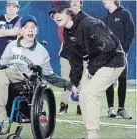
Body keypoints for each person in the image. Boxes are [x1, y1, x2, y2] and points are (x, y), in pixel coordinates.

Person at [0, 15, 79, 133]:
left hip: (24, 78)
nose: (30, 29)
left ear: (36, 31)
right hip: (6, 74)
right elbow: (2, 64)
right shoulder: (11, 45)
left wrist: (69, 85)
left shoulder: (41, 51)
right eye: (26, 27)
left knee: (0, 74)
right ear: (21, 30)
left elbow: (49, 76)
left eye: (33, 27)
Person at [49, 1, 126, 139]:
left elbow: (109, 47)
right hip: (97, 62)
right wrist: (73, 84)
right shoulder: (67, 33)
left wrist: (91, 69)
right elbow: (76, 62)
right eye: (53, 13)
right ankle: (91, 132)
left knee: (90, 93)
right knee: (83, 94)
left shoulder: (89, 24)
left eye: (60, 12)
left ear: (69, 11)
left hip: (114, 61)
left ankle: (93, 135)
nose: (56, 16)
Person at [101, 0, 134, 119]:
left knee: (122, 79)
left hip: (121, 54)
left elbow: (130, 33)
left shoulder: (124, 14)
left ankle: (121, 108)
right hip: (108, 56)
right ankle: (111, 109)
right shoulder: (104, 19)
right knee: (109, 81)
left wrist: (122, 50)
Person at [58, 0, 84, 115]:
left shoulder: (86, 19)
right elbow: (62, 36)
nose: (74, 3)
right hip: (67, 54)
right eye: (72, 1)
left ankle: (81, 106)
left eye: (76, 1)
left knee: (83, 81)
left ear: (80, 4)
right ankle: (64, 105)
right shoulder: (64, 18)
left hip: (82, 54)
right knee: (65, 79)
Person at [0, 0, 21, 66]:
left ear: (17, 9)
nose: (11, 8)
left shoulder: (19, 19)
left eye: (14, 7)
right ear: (5, 7)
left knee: (9, 71)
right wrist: (9, 32)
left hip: (12, 50)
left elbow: (14, 32)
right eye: (9, 6)